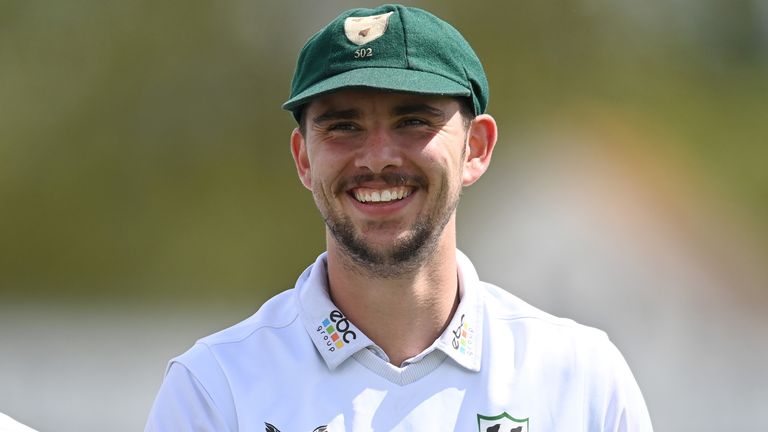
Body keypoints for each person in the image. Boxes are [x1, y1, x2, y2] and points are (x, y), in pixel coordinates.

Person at [145, 4, 653, 431]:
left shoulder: (580, 377)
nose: (377, 157)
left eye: (413, 121)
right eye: (343, 126)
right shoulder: (216, 389)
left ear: (476, 148)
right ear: (303, 158)